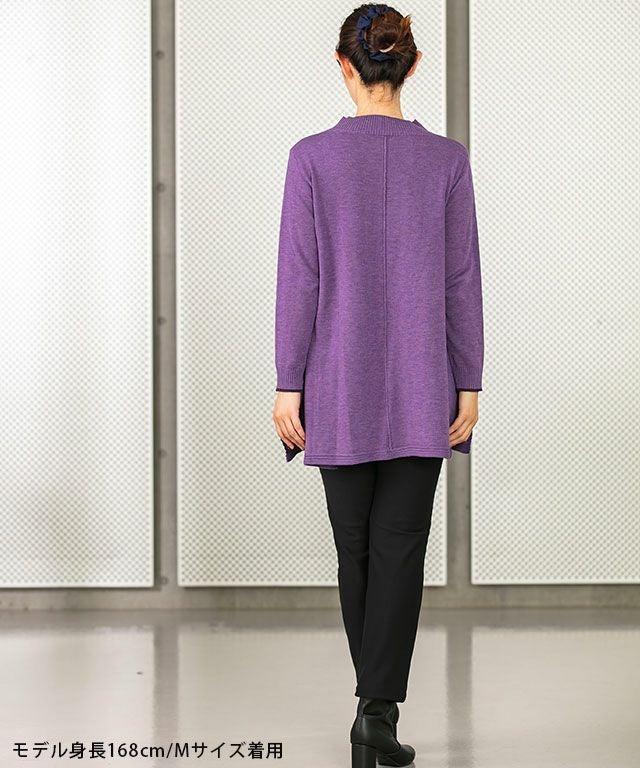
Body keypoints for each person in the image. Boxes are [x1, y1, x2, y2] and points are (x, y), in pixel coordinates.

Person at [272, 4, 484, 767]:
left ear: (343, 65)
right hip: (425, 382)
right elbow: (461, 280)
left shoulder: (311, 159)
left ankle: (373, 713)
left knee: (355, 551)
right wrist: (469, 379)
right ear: (413, 64)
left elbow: (299, 278)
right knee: (400, 550)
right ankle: (377, 714)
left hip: (336, 383)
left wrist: (288, 382)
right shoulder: (447, 161)